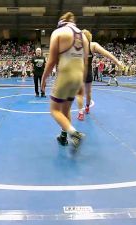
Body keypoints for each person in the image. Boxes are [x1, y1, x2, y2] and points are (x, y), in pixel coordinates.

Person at [41, 12, 89, 148]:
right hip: (78, 76)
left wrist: (44, 79)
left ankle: (74, 133)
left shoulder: (58, 33)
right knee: (66, 109)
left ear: (61, 21)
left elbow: (51, 61)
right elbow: (85, 62)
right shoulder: (83, 36)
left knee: (54, 110)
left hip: (65, 75)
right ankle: (63, 137)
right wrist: (82, 83)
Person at [76, 29, 123, 120]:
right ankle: (85, 109)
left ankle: (81, 112)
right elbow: (106, 53)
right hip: (85, 71)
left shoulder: (83, 46)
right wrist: (117, 62)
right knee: (86, 93)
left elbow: (106, 53)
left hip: (81, 71)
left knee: (82, 93)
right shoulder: (91, 45)